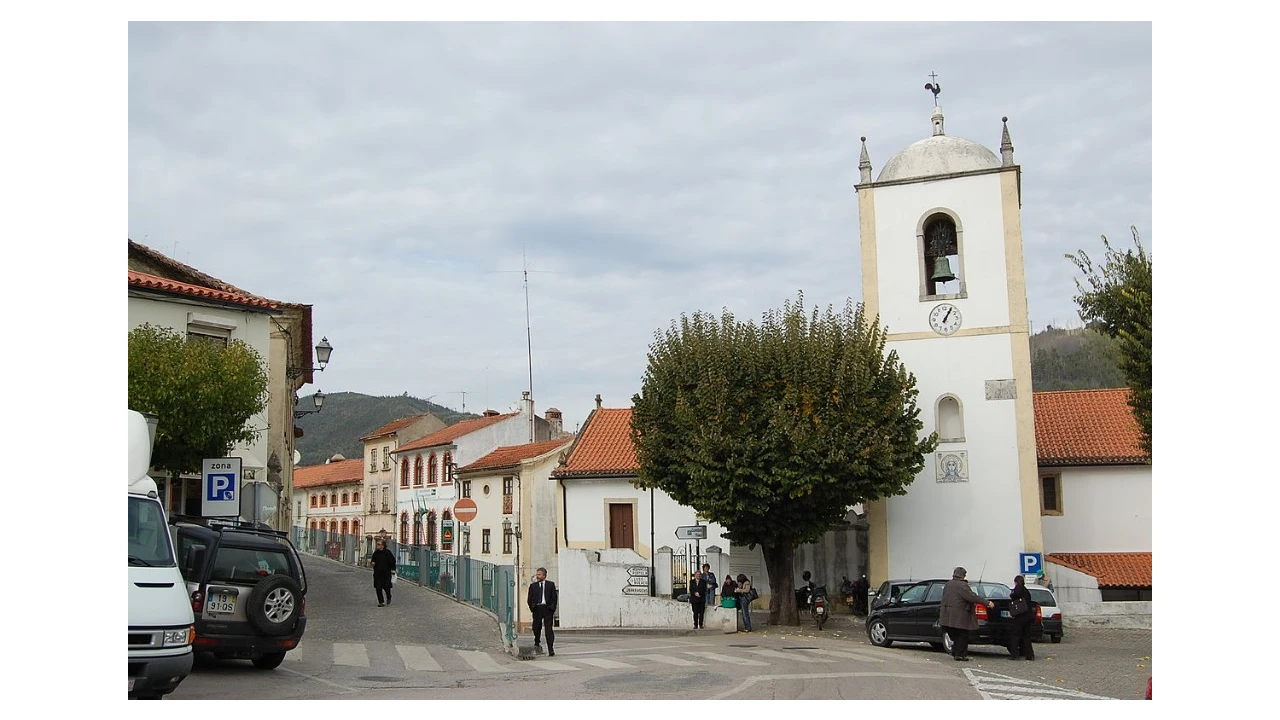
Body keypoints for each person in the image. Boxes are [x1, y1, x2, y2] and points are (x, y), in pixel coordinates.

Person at [939, 566, 993, 661]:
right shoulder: (962, 586)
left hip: (948, 614)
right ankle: (960, 655)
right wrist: (987, 603)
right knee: (962, 635)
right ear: (963, 575)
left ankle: (956, 652)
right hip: (960, 614)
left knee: (955, 634)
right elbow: (972, 597)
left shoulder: (948, 584)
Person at [527, 567, 558, 656]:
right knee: (536, 627)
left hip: (547, 609)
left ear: (544, 575)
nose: (537, 576)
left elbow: (554, 598)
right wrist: (533, 607)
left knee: (548, 629)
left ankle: (550, 648)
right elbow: (530, 598)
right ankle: (537, 642)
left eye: (539, 574)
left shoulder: (550, 585)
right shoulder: (533, 586)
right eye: (537, 574)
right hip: (537, 609)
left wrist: (552, 608)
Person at [1007, 575, 1036, 661]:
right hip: (1028, 616)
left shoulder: (1018, 589)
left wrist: (1012, 591)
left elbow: (1013, 595)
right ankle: (1030, 655)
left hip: (1020, 616)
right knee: (1026, 636)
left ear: (1016, 582)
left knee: (1015, 635)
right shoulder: (1026, 590)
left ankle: (1015, 655)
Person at [370, 539, 396, 607]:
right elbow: (373, 561)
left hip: (386, 573)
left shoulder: (387, 553)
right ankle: (381, 602)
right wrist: (372, 563)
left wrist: (393, 569)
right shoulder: (375, 553)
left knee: (386, 586)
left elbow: (392, 561)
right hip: (377, 573)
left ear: (383, 545)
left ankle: (389, 596)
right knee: (378, 588)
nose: (377, 546)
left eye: (379, 544)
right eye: (377, 544)